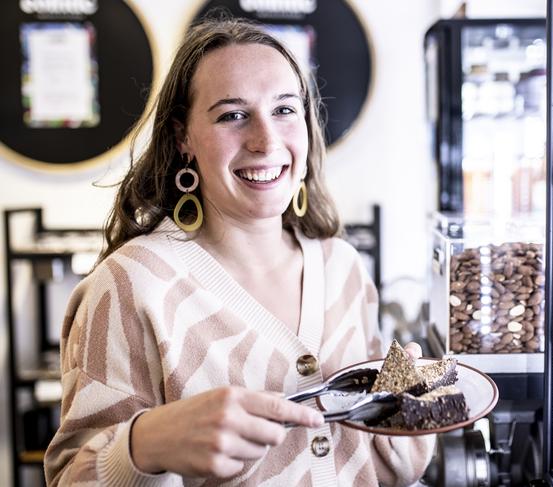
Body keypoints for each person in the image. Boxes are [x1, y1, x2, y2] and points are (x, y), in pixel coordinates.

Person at [44, 15, 434, 486]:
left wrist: (408, 407)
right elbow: (72, 476)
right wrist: (144, 444)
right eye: (232, 114)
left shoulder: (343, 268)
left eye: (285, 110)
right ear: (182, 138)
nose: (266, 141)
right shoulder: (129, 286)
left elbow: (384, 466)